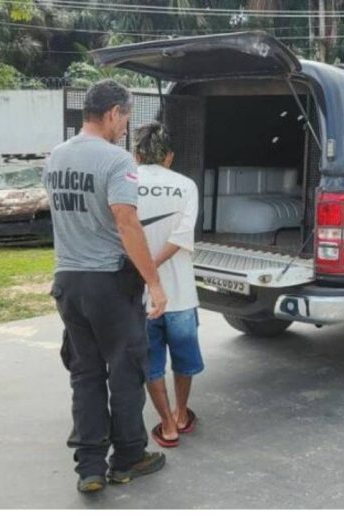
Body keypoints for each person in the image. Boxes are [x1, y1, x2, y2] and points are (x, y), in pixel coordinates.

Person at [44, 79, 167, 494]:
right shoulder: (116, 160)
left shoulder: (55, 157)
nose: (125, 126)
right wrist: (154, 282)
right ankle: (130, 455)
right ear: (114, 112)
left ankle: (91, 467)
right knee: (126, 371)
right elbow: (126, 221)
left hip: (67, 283)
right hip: (110, 284)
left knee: (86, 374)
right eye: (126, 117)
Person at [133, 122, 203, 448]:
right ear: (170, 157)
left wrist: (146, 270)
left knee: (152, 362)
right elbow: (181, 236)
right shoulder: (186, 186)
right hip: (181, 294)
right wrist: (158, 265)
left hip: (141, 297)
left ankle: (166, 425)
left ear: (137, 154)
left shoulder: (125, 184)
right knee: (184, 358)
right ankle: (182, 414)